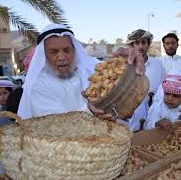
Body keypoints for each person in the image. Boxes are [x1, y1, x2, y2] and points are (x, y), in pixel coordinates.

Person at [17, 24, 145, 120]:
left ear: (75, 51)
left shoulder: (92, 70)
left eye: (66, 50)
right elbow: (55, 124)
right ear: (44, 56)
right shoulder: (38, 86)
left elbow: (123, 84)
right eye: (54, 52)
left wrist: (129, 63)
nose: (61, 57)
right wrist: (89, 111)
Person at [117, 29, 166, 131]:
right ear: (132, 45)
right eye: (137, 43)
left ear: (148, 44)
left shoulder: (158, 65)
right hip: (128, 119)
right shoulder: (123, 66)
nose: (140, 46)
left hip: (152, 117)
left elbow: (164, 90)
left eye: (143, 42)